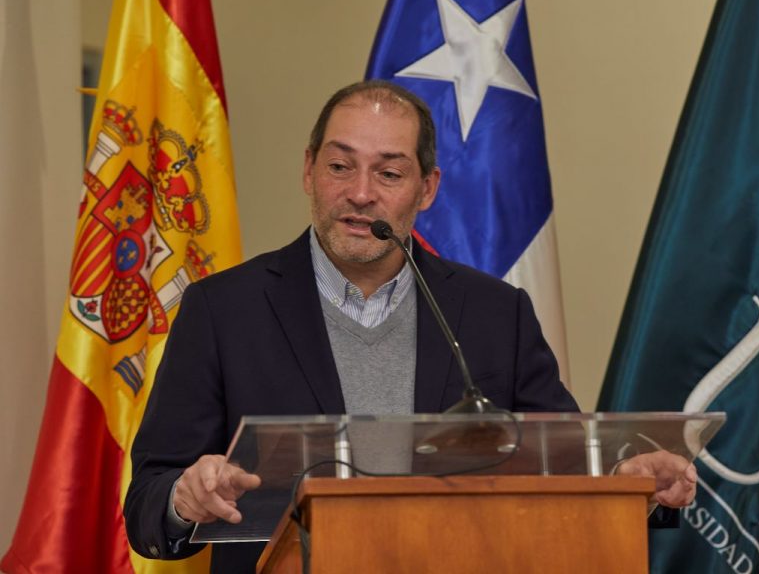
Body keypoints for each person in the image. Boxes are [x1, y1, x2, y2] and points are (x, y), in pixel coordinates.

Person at [124, 80, 696, 573]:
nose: (360, 193)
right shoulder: (223, 310)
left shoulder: (497, 314)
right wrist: (184, 498)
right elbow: (148, 505)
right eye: (340, 166)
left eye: (389, 173)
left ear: (427, 188)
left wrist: (630, 483)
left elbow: (565, 467)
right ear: (308, 169)